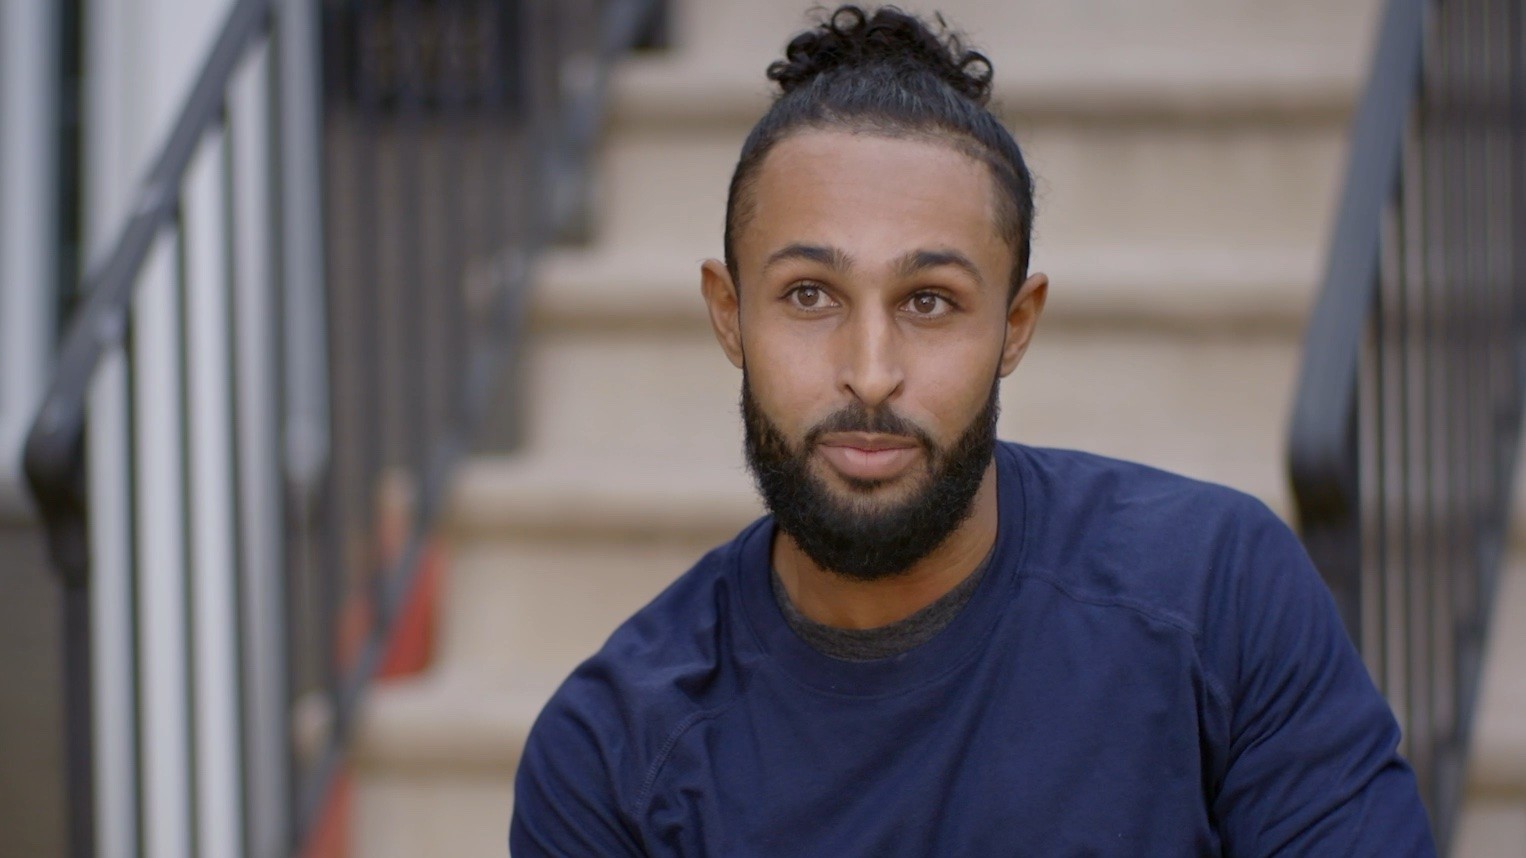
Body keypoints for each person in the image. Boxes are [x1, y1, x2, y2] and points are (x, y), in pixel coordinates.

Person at [509, 5, 1436, 855]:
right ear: (728, 313)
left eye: (929, 300)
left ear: (1015, 325)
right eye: (808, 295)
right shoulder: (612, 759)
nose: (870, 372)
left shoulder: (1217, 597)